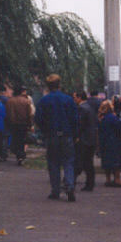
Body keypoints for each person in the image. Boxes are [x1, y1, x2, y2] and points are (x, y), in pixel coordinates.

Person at [35, 74, 78, 202]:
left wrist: (44, 132)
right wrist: (74, 134)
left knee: (53, 163)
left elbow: (38, 119)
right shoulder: (68, 100)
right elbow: (75, 119)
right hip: (66, 134)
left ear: (48, 86)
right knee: (68, 161)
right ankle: (70, 186)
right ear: (59, 85)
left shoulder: (44, 100)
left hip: (52, 135)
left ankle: (55, 190)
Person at [74, 91, 98, 191]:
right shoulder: (89, 107)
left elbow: (80, 124)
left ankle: (71, 180)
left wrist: (76, 136)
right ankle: (90, 183)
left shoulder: (82, 108)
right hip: (91, 138)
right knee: (89, 163)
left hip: (84, 139)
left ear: (79, 98)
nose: (73, 99)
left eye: (74, 97)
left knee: (82, 161)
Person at [98, 99, 121, 187]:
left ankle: (108, 179)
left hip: (105, 143)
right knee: (117, 162)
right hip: (115, 142)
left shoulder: (102, 119)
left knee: (106, 161)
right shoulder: (114, 118)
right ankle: (117, 179)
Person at [6, 86, 34, 165]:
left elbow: (8, 114)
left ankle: (17, 153)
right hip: (23, 124)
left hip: (13, 124)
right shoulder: (26, 101)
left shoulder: (10, 101)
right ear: (22, 92)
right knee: (22, 140)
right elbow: (30, 115)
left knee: (15, 139)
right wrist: (30, 125)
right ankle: (21, 156)